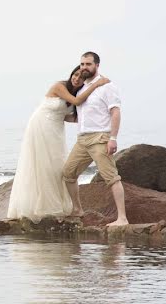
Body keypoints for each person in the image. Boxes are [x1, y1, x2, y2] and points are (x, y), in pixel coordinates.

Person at [7, 65, 110, 220]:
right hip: (41, 124)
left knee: (56, 164)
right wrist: (96, 84)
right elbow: (76, 101)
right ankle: (41, 206)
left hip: (56, 128)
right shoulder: (60, 86)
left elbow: (70, 117)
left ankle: (57, 203)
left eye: (81, 78)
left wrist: (100, 117)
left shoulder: (77, 92)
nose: (77, 78)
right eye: (75, 75)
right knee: (43, 163)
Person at [63, 51, 128, 225]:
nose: (84, 67)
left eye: (88, 64)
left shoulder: (107, 86)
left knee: (111, 177)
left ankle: (122, 218)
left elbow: (115, 112)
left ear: (97, 65)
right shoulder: (81, 89)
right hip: (82, 140)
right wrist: (56, 117)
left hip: (100, 138)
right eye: (82, 64)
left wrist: (113, 138)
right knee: (68, 173)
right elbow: (80, 117)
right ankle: (77, 209)